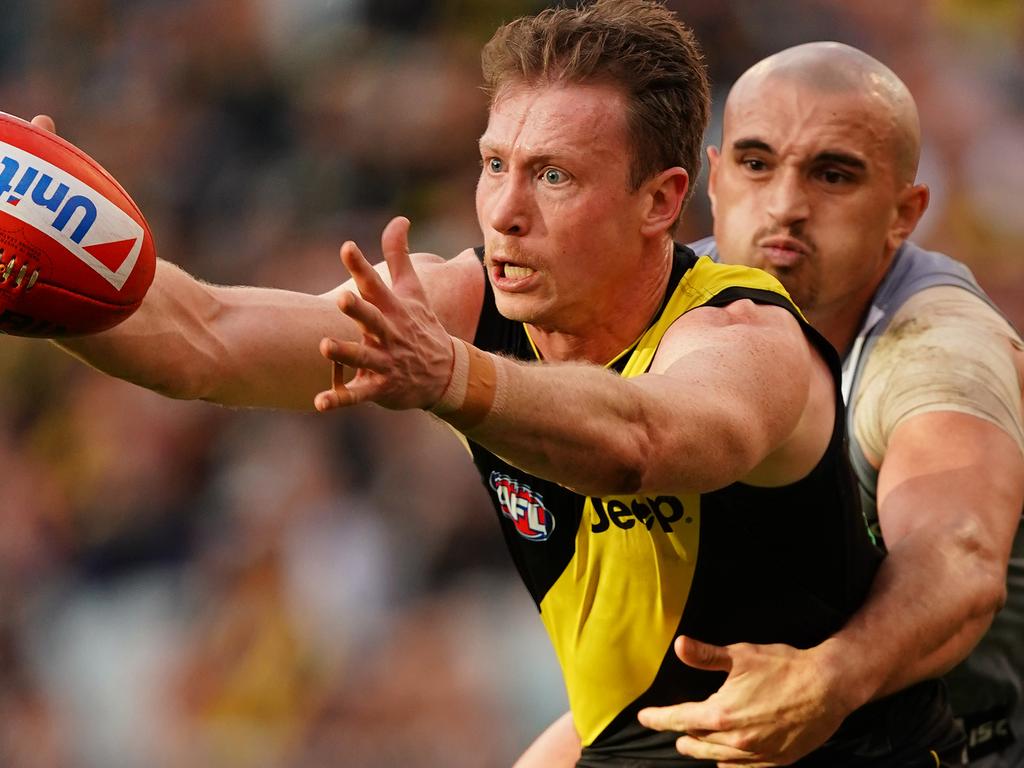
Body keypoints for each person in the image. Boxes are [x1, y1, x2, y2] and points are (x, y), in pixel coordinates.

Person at [42, 4, 964, 765]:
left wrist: (454, 378)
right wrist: (49, 239)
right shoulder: (460, 305)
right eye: (494, 165)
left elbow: (645, 442)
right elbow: (204, 338)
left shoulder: (740, 332)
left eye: (553, 175)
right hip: (634, 741)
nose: (505, 212)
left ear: (660, 200)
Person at [518, 41, 1024, 768]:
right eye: (757, 164)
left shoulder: (936, 347)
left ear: (903, 213)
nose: (786, 206)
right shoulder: (679, 322)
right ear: (714, 182)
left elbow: (961, 557)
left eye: (834, 174)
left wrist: (826, 681)